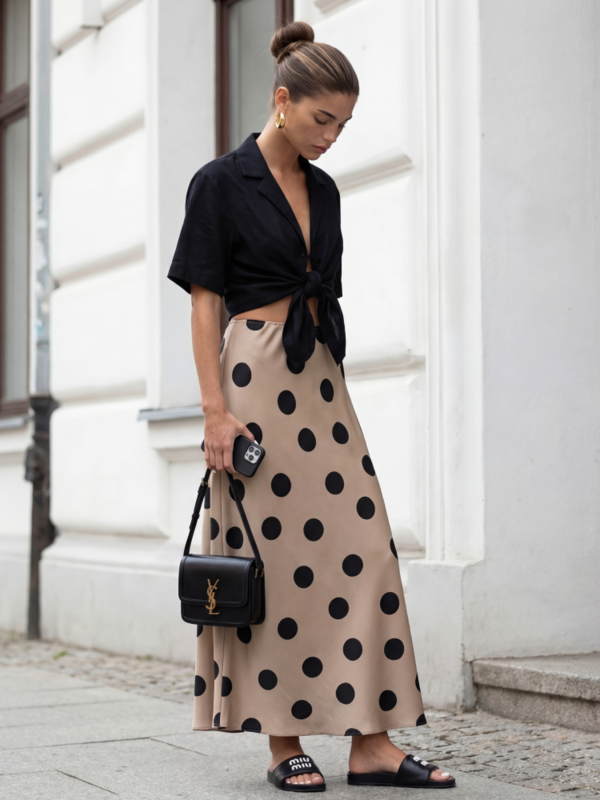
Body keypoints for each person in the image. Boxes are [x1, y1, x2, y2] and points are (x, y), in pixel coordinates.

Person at [167, 20, 455, 793]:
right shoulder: (220, 182)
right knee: (272, 556)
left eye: (343, 125)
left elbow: (321, 291)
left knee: (366, 544)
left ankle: (372, 743)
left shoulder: (324, 190)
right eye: (322, 119)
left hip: (320, 376)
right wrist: (213, 411)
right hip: (253, 380)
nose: (331, 137)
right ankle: (281, 742)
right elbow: (204, 303)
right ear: (282, 100)